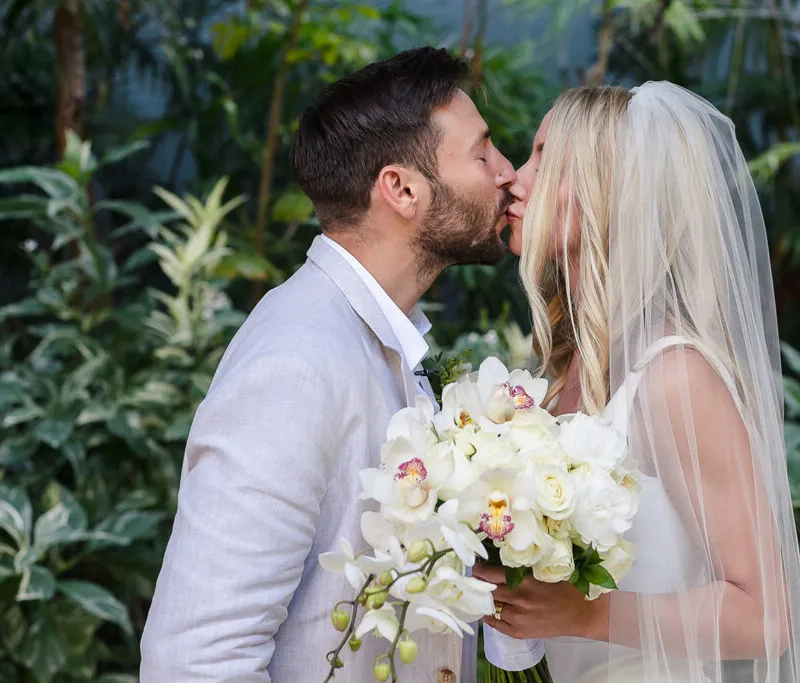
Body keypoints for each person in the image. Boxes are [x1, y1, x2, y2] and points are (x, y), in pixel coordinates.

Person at [140, 47, 517, 682]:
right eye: (482, 154)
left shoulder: (376, 339)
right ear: (401, 189)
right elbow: (196, 660)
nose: (507, 172)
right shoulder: (295, 365)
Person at [475, 83, 800, 683]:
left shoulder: (675, 377)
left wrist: (587, 615)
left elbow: (766, 616)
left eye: (543, 159)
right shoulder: (562, 371)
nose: (516, 181)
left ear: (610, 191)